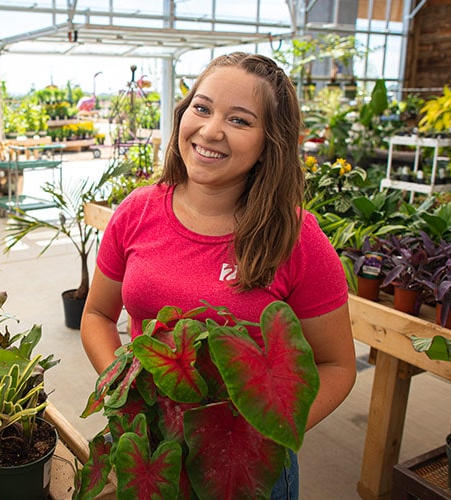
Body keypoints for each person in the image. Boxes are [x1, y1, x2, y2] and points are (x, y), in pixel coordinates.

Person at [80, 52, 357, 499]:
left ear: (271, 143)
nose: (210, 131)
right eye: (202, 108)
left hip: (245, 471)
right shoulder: (137, 211)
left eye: (241, 120)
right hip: (152, 448)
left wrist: (262, 433)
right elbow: (95, 314)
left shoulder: (296, 237)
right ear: (183, 114)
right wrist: (123, 388)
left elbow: (339, 365)